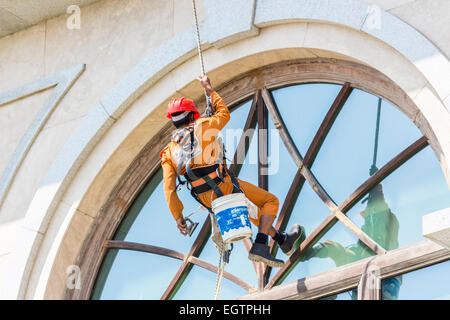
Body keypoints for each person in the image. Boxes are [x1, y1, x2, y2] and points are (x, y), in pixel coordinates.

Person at [160, 75, 304, 267]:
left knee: (252, 209)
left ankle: (281, 239)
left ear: (173, 122)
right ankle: (260, 246)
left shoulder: (168, 151)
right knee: (270, 201)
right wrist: (210, 90)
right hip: (224, 185)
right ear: (192, 115)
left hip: (204, 197)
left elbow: (169, 189)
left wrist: (178, 217)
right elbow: (224, 114)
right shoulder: (202, 126)